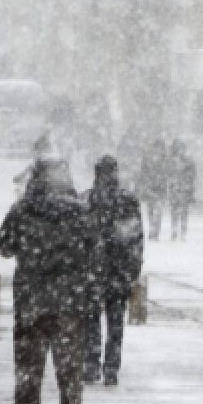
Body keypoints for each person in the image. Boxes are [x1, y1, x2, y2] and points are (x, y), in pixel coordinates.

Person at [0, 157, 98, 404]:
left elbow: (3, 245)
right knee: (70, 382)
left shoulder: (23, 209)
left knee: (28, 378)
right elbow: (94, 249)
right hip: (69, 305)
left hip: (31, 305)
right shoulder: (79, 211)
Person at [85, 156, 144, 385]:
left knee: (91, 317)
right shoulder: (127, 200)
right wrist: (134, 266)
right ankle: (111, 367)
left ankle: (91, 362)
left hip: (93, 268)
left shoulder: (88, 199)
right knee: (115, 320)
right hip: (118, 268)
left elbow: (81, 236)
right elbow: (136, 236)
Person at [138, 140, 168, 241]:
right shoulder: (148, 160)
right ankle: (153, 229)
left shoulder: (164, 160)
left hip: (159, 189)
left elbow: (167, 174)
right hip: (151, 188)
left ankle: (155, 231)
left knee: (157, 210)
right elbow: (143, 173)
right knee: (151, 210)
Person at [168, 141, 195, 241]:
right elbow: (168, 173)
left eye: (181, 149)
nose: (180, 151)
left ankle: (183, 232)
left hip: (184, 189)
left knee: (183, 211)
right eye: (178, 149)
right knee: (174, 210)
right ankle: (174, 230)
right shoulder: (171, 161)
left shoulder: (188, 161)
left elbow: (192, 175)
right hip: (175, 188)